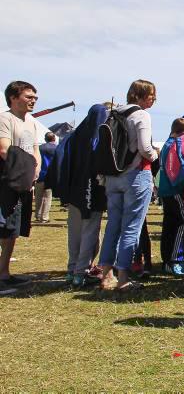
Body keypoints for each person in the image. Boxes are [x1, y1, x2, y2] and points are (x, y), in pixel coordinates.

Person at [98, 80, 159, 292]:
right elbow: (144, 147)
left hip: (113, 175)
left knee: (113, 225)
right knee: (131, 227)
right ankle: (123, 277)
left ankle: (106, 274)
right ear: (143, 95)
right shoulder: (141, 115)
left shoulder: (113, 113)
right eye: (152, 95)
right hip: (136, 175)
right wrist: (155, 154)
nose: (153, 99)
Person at [48, 104, 108, 287]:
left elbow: (60, 159)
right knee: (90, 231)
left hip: (75, 191)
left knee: (74, 232)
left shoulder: (74, 137)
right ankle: (81, 272)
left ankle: (72, 269)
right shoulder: (99, 138)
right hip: (94, 192)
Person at [0, 81, 41, 290]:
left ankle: (4, 272)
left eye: (35, 97)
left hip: (24, 182)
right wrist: (24, 168)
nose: (33, 100)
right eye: (28, 96)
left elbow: (35, 150)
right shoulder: (5, 119)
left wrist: (35, 171)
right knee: (3, 227)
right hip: (7, 180)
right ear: (13, 98)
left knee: (12, 229)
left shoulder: (31, 122)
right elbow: (5, 150)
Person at [158, 117, 184, 276]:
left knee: (168, 225)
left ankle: (166, 260)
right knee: (181, 221)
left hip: (165, 190)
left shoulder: (166, 144)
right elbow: (182, 168)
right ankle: (175, 259)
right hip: (175, 189)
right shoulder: (178, 143)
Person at [34, 132, 57, 223]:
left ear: (45, 139)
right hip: (50, 176)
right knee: (47, 198)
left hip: (39, 175)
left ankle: (37, 215)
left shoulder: (39, 148)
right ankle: (44, 217)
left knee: (38, 197)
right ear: (54, 139)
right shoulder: (56, 148)